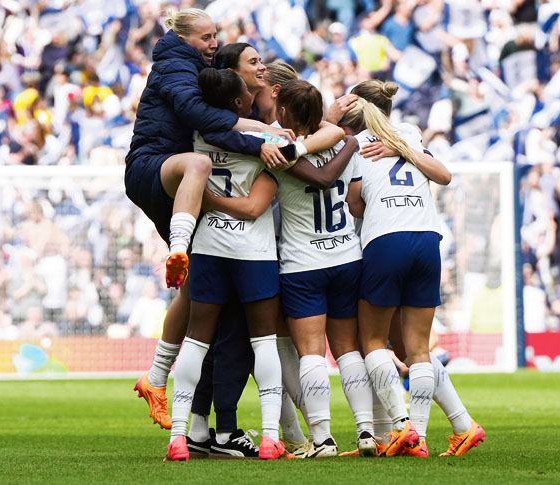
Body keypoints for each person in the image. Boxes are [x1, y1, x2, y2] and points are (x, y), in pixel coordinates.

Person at [127, 8, 293, 431]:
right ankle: (218, 426)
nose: (212, 42)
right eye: (205, 37)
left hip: (177, 176)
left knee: (198, 291)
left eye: (215, 35)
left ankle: (163, 385)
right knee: (199, 167)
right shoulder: (178, 69)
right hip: (157, 164)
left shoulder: (191, 69)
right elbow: (202, 121)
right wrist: (264, 137)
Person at [345, 80, 485, 457]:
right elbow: (442, 175)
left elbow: (355, 204)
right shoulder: (408, 132)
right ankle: (419, 439)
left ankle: (400, 429)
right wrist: (404, 150)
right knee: (418, 350)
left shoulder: (356, 144)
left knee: (372, 342)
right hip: (427, 239)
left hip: (384, 240)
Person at [166, 68, 289, 461]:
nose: (254, 94)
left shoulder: (198, 136)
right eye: (248, 92)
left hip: (208, 245)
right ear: (238, 103)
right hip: (254, 251)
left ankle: (179, 437)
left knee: (197, 341)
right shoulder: (267, 138)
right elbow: (288, 149)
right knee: (264, 342)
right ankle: (271, 437)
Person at [271, 79, 377, 458]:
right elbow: (353, 202)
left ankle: (323, 439)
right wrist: (346, 140)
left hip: (303, 264)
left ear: (283, 113)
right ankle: (366, 431)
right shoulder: (345, 146)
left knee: (313, 353)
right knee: (348, 350)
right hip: (347, 256)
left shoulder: (279, 152)